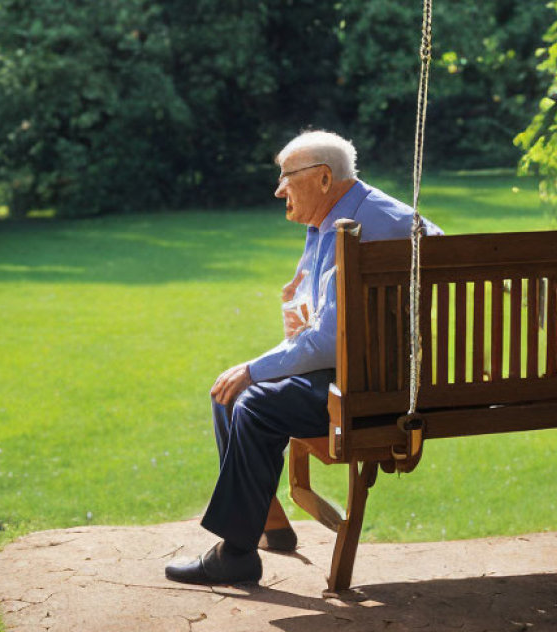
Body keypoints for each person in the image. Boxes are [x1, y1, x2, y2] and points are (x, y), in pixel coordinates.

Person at [165, 130, 442, 585]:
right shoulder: (377, 212)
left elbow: (329, 342)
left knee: (247, 398)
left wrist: (254, 368)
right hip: (390, 373)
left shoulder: (344, 232)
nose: (278, 189)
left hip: (376, 391)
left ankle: (236, 554)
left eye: (286, 176)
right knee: (231, 394)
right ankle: (267, 523)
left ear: (324, 178)